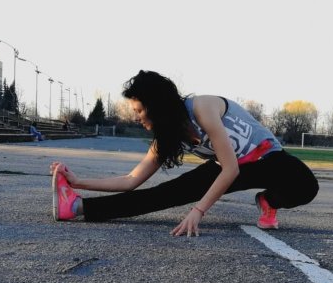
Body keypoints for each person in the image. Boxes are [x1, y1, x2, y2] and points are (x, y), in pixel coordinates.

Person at [50, 70, 318, 237]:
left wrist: (198, 211)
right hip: (227, 166)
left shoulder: (202, 107)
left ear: (157, 105)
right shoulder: (168, 136)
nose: (136, 117)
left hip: (267, 158)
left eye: (139, 110)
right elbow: (131, 180)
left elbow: (231, 169)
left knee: (307, 186)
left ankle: (268, 201)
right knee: (165, 194)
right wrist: (78, 182)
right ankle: (76, 207)